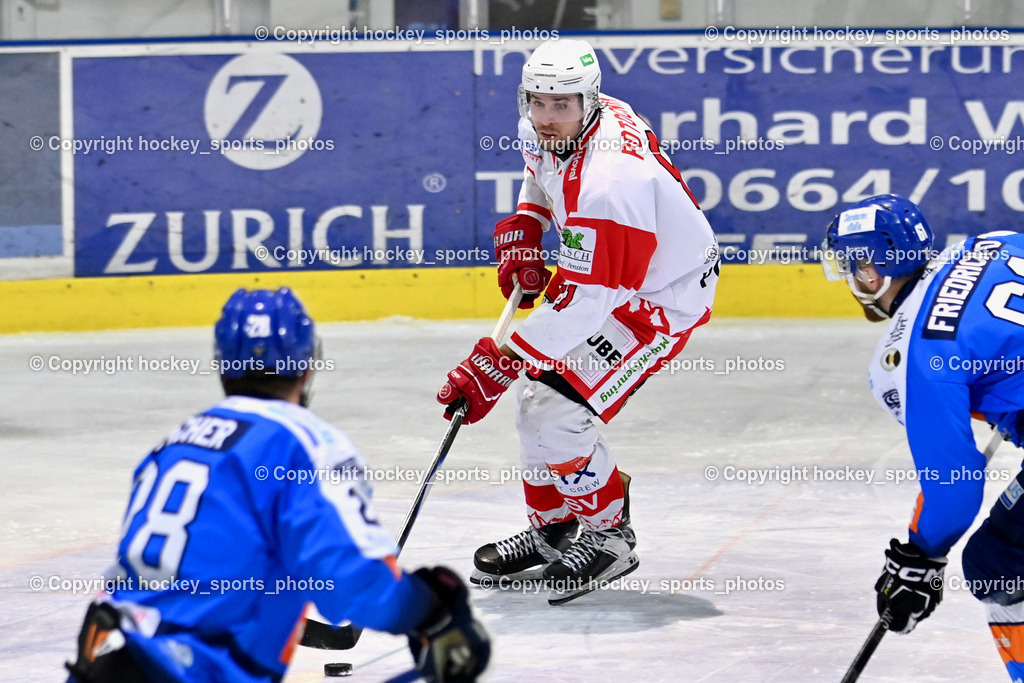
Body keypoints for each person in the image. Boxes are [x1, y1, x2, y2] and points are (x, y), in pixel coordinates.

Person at [65, 287, 490, 683]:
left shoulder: (177, 441)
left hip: (104, 659)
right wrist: (429, 610)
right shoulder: (302, 444)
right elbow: (350, 583)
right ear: (307, 366)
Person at [436, 38, 720, 605]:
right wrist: (527, 222)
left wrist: (499, 359)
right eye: (536, 102)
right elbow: (541, 175)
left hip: (657, 298)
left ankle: (609, 534)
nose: (545, 118)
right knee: (532, 405)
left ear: (589, 101)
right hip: (610, 276)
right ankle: (555, 532)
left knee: (555, 411)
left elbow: (591, 299)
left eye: (560, 105)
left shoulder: (613, 178)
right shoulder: (557, 123)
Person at [822, 194, 1024, 679]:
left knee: (998, 561)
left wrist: (920, 557)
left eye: (853, 268)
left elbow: (953, 484)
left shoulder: (908, 356)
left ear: (872, 273)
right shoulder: (989, 243)